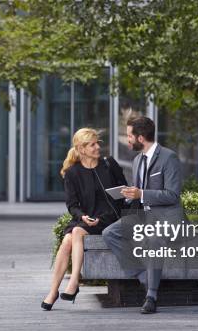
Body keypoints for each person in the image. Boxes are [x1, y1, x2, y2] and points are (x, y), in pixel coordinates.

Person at [103, 117, 183, 314]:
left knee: (154, 239)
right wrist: (130, 195)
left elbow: (172, 195)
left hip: (165, 219)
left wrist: (142, 194)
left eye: (130, 136)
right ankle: (141, 275)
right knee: (109, 233)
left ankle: (151, 295)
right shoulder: (138, 160)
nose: (127, 140)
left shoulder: (168, 157)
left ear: (140, 137)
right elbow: (140, 193)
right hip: (143, 216)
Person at [41, 128, 127, 311]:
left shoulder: (109, 164)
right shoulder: (73, 173)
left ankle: (73, 283)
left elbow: (124, 192)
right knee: (67, 240)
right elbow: (72, 205)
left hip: (110, 217)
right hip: (86, 218)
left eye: (97, 143)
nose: (97, 147)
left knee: (77, 232)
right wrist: (82, 216)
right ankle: (54, 291)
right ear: (81, 149)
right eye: (92, 144)